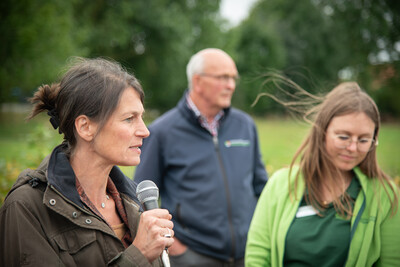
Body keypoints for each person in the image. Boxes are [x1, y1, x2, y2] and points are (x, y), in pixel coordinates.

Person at [0, 58, 174, 266]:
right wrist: (138, 255)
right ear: (85, 127)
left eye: (142, 117)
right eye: (129, 118)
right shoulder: (27, 207)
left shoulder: (134, 203)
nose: (145, 131)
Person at [134, 48, 269, 266]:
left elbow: (261, 186)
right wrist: (176, 248)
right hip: (192, 256)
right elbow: (140, 198)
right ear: (197, 81)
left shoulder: (245, 126)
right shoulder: (161, 132)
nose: (231, 85)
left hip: (248, 255)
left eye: (233, 78)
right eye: (223, 77)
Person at [245, 81, 400, 266]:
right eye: (343, 137)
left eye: (364, 140)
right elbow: (257, 256)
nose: (353, 147)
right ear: (322, 131)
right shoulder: (280, 183)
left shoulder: (386, 195)